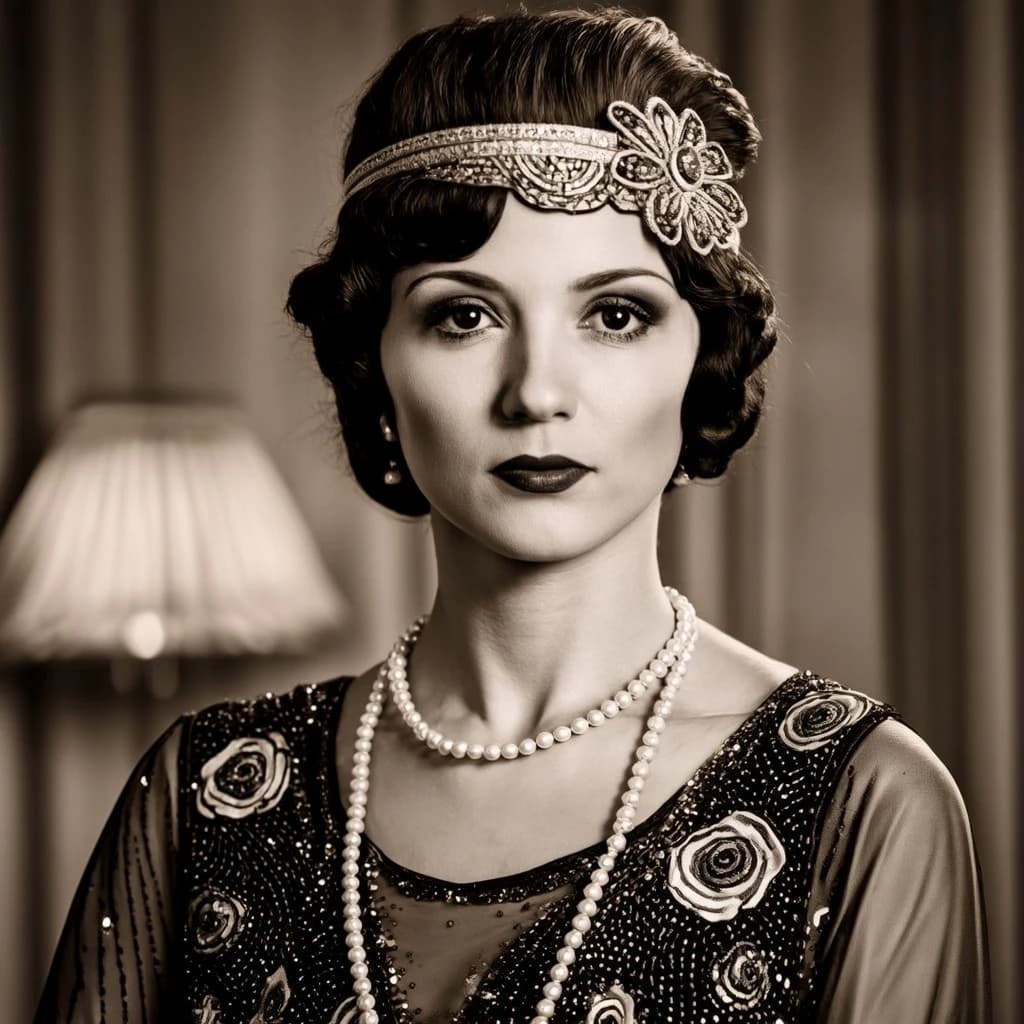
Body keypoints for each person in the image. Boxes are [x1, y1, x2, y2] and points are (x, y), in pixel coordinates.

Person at [35, 8, 989, 1024]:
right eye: (464, 315)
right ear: (375, 369)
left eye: (614, 315)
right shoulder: (206, 795)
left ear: (697, 356)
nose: (537, 390)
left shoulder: (859, 798)